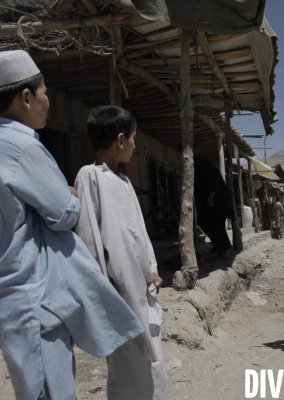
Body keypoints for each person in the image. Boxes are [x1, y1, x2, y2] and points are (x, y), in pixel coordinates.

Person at [0, 51, 144, 399]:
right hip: (34, 289)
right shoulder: (21, 146)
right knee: (50, 390)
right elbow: (64, 214)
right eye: (45, 93)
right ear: (26, 97)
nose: (47, 102)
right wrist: (70, 194)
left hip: (17, 287)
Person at [75, 106, 167, 400]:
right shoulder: (90, 177)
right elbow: (90, 238)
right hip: (118, 291)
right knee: (130, 368)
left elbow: (138, 235)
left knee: (152, 365)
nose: (136, 146)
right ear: (120, 139)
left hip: (141, 287)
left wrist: (149, 270)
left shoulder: (125, 182)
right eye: (134, 138)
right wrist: (101, 291)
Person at [193, 155, 234, 259]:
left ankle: (223, 251)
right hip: (209, 202)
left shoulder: (202, 163)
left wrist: (210, 198)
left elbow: (213, 182)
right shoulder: (198, 164)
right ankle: (219, 247)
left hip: (216, 201)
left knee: (215, 224)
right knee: (206, 223)